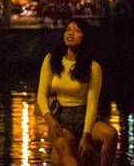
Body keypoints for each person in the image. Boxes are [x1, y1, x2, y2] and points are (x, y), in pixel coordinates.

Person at [36, 19, 117, 166]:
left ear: (85, 37)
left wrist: (85, 137)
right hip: (61, 119)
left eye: (77, 30)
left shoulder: (93, 67)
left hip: (84, 117)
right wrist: (49, 118)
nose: (71, 33)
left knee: (111, 134)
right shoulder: (51, 60)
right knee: (66, 158)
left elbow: (92, 103)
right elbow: (41, 94)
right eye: (68, 29)